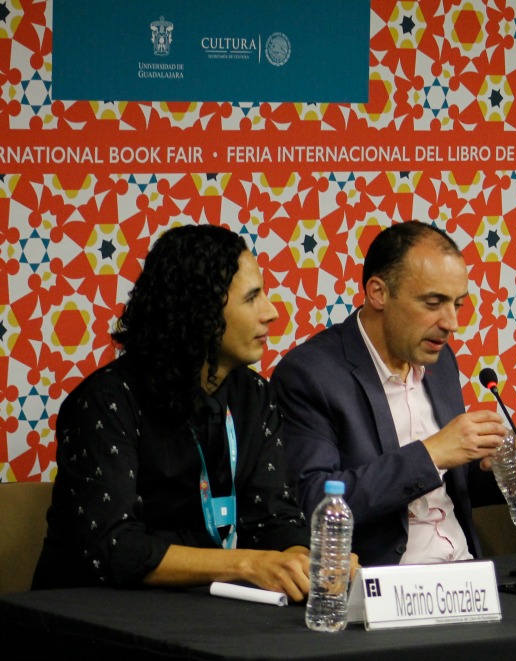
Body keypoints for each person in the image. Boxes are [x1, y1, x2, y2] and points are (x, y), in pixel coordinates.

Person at [33, 224, 315, 601]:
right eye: (252, 298)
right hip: (91, 615)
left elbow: (275, 518)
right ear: (201, 312)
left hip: (209, 609)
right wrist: (246, 564)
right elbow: (114, 547)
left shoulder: (255, 396)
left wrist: (302, 560)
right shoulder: (107, 401)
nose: (272, 312)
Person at [271, 221, 516, 567]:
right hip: (384, 585)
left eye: (458, 304)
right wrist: (431, 454)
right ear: (378, 293)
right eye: (433, 303)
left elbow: (452, 486)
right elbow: (314, 502)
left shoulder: (440, 360)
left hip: (467, 571)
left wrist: (505, 466)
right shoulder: (310, 374)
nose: (451, 323)